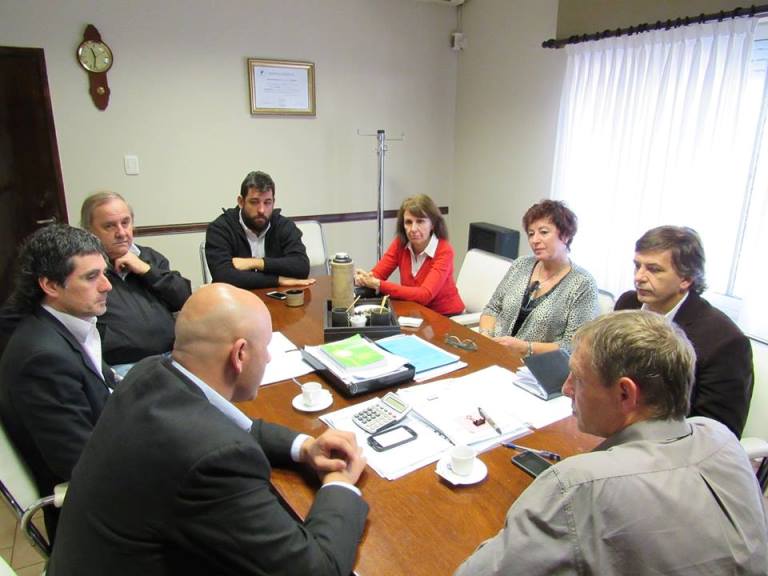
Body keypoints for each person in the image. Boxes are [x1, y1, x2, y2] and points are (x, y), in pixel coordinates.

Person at [49, 283, 368, 576]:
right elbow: (316, 570)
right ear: (240, 354)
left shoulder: (150, 373)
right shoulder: (212, 460)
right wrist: (339, 484)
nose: (269, 357)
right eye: (266, 347)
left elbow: (237, 428)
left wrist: (305, 447)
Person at [455, 311, 768, 575]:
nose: (566, 389)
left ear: (625, 394)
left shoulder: (578, 485)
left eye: (577, 378)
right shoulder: (720, 437)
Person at [0, 224, 114, 540]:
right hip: (95, 518)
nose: (107, 285)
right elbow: (82, 463)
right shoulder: (42, 358)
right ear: (50, 285)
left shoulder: (66, 328)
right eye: (91, 277)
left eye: (104, 274)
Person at [615, 225, 753, 438]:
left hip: (671, 444)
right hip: (615, 424)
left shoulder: (725, 341)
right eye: (637, 266)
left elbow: (718, 433)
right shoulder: (628, 303)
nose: (639, 277)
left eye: (654, 269)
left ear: (686, 279)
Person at [81, 191, 192, 367]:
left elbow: (183, 298)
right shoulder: (84, 269)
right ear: (89, 231)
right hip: (123, 365)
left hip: (172, 356)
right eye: (109, 226)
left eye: (125, 223)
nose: (121, 233)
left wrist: (146, 270)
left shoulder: (148, 257)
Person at [478, 199, 597, 354]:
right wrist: (486, 338)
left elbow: (575, 345)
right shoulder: (521, 265)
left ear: (566, 235)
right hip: (496, 353)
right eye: (531, 234)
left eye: (544, 232)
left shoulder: (583, 283)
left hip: (538, 365)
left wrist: (526, 348)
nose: (535, 240)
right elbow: (492, 308)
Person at [354, 194, 464, 315]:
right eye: (408, 222)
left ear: (432, 224)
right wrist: (364, 279)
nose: (413, 229)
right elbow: (378, 274)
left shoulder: (444, 251)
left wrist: (378, 284)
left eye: (420, 221)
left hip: (446, 316)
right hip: (415, 312)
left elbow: (425, 295)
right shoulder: (400, 244)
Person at [205, 170, 314, 289]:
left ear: (273, 202)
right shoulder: (220, 228)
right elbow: (223, 276)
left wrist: (257, 263)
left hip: (274, 297)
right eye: (254, 202)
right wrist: (278, 280)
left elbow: (301, 266)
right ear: (241, 202)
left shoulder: (284, 225)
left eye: (267, 203)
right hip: (235, 298)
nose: (262, 210)